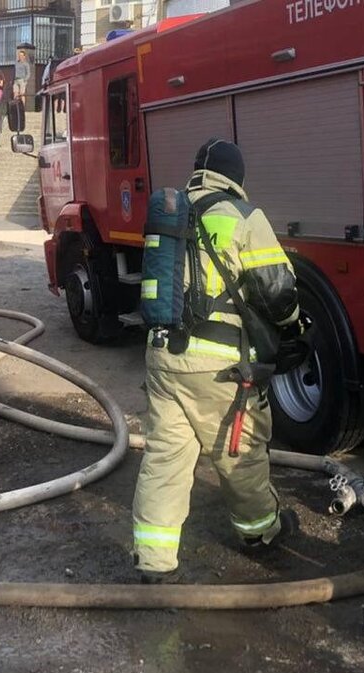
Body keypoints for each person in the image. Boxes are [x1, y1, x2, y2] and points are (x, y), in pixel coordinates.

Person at [131, 139, 302, 583]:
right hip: (217, 366)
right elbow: (277, 289)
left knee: (165, 457)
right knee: (239, 453)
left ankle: (153, 560)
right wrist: (295, 326)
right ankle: (260, 533)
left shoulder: (172, 211)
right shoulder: (243, 217)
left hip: (162, 356)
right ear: (236, 177)